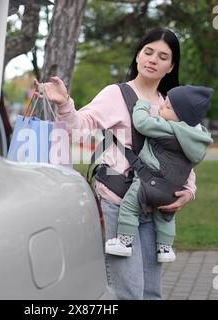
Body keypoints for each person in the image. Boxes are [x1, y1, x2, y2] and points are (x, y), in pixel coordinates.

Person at [35, 28, 195, 300]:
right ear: (137, 55)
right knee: (128, 292)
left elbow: (183, 152)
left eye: (163, 56)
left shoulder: (170, 106)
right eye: (148, 51)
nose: (153, 59)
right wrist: (65, 104)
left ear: (170, 67)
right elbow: (78, 128)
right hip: (117, 203)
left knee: (151, 292)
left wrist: (189, 190)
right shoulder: (116, 94)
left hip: (155, 207)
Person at [105, 85, 214, 263]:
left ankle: (124, 242)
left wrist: (142, 105)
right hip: (173, 190)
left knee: (129, 207)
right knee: (165, 217)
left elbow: (142, 124)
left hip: (149, 181)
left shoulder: (170, 128)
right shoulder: (197, 139)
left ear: (183, 118)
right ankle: (165, 248)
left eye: (168, 107)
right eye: (164, 103)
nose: (162, 107)